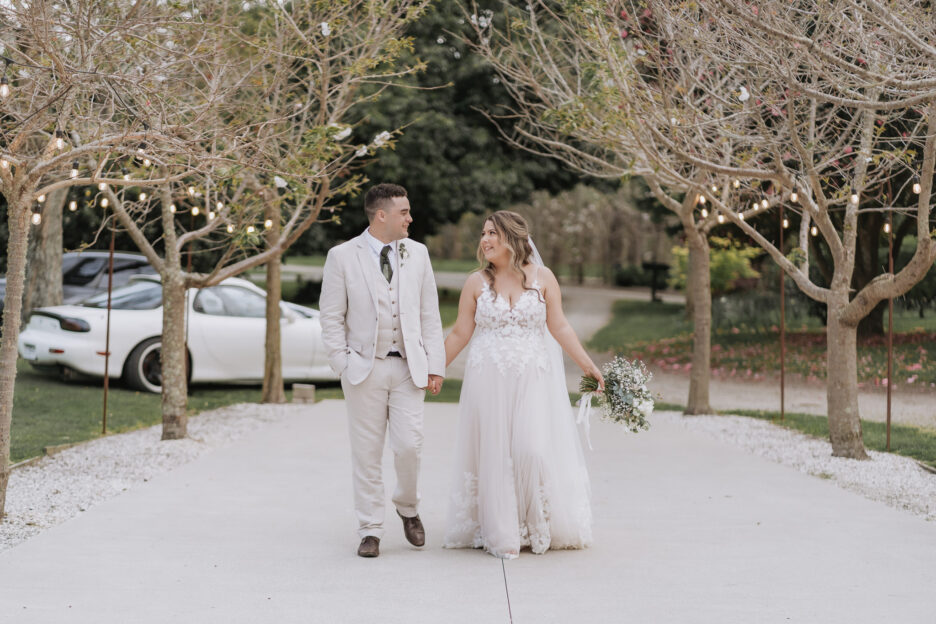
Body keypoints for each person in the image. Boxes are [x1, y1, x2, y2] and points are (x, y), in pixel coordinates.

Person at [442, 210, 604, 559]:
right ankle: (502, 531)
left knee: (531, 448)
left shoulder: (543, 278)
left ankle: (535, 523)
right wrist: (433, 370)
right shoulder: (475, 283)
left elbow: (559, 327)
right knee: (496, 453)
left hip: (533, 377)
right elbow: (459, 333)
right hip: (488, 379)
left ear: (513, 238)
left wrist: (588, 366)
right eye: (483, 233)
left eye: (493, 234)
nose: (485, 240)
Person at [319, 183, 445, 558]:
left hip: (409, 369)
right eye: (404, 212)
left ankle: (408, 507)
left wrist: (434, 365)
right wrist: (342, 363)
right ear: (381, 216)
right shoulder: (342, 256)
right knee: (366, 453)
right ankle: (370, 529)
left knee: (410, 446)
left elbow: (429, 315)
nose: (411, 218)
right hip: (363, 369)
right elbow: (330, 317)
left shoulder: (418, 254)